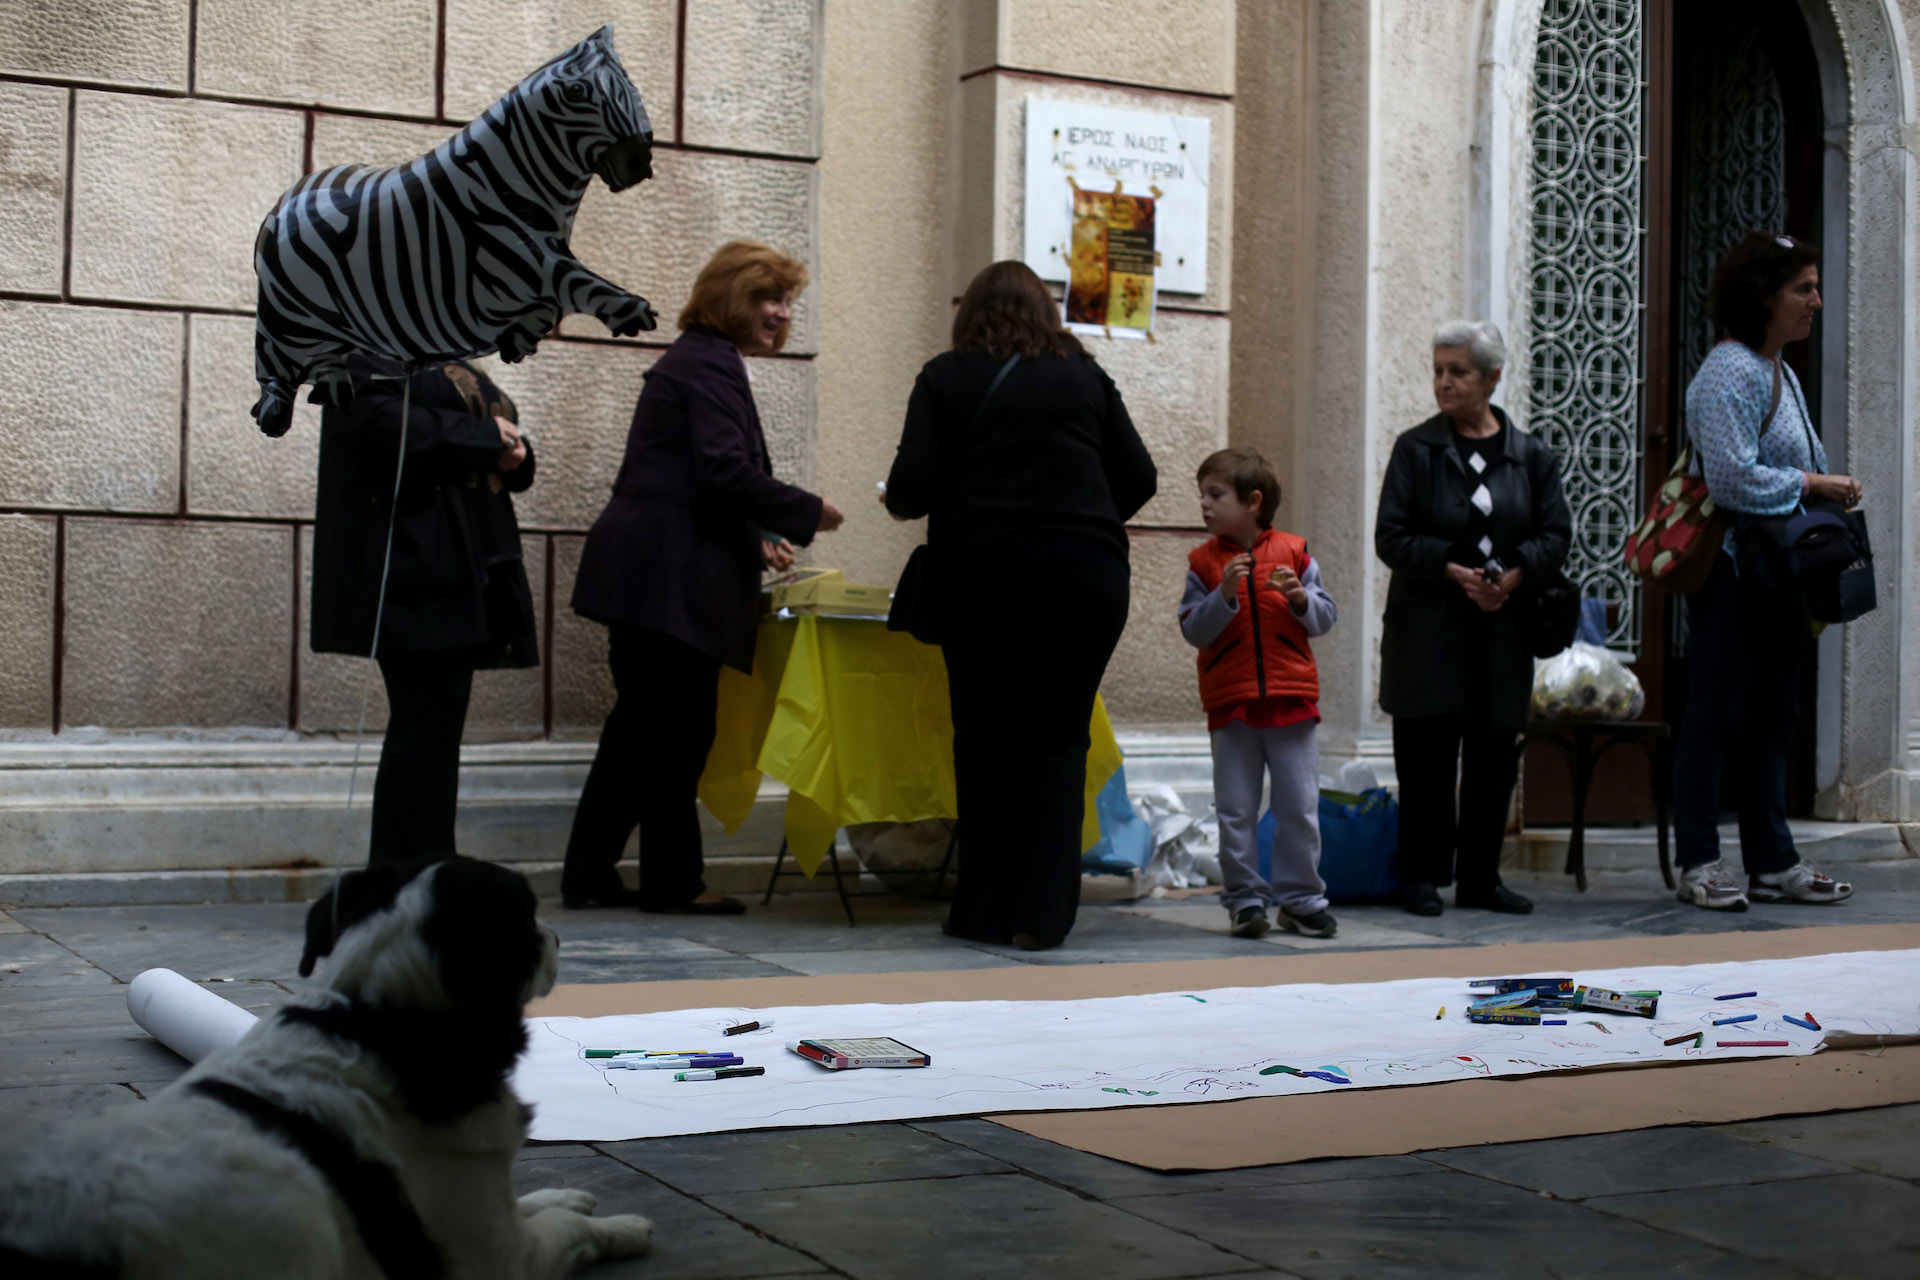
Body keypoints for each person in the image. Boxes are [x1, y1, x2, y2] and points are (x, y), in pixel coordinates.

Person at [562, 241, 844, 913]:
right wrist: (806, 511)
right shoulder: (711, 366)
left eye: (786, 302)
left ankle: (590, 873)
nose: (780, 314)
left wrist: (759, 536)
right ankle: (672, 882)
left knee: (638, 734)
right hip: (668, 586)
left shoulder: (698, 361)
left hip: (650, 578)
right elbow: (721, 472)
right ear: (729, 301)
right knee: (674, 737)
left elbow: (696, 482)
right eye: (766, 300)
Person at [884, 260, 1156, 950]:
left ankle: (983, 909)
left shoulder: (946, 376)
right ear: (1044, 312)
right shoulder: (1086, 375)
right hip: (1085, 579)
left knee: (986, 740)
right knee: (1059, 740)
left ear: (971, 313)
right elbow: (1140, 476)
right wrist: (1079, 517)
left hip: (985, 576)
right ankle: (1043, 916)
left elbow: (911, 486)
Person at [1671, 231, 1858, 910]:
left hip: (1775, 575)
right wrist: (1816, 483)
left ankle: (1771, 862)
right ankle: (1697, 862)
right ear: (1763, 298)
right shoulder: (1728, 373)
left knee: (1772, 714)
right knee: (1715, 714)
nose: (1814, 300)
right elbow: (1730, 479)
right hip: (1732, 575)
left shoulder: (1780, 371)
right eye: (1801, 289)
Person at [1374, 320, 1571, 917]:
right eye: (1438, 370)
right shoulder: (1416, 449)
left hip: (1502, 630)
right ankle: (1421, 877)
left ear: (1492, 378)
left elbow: (1555, 533)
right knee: (1425, 761)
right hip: (1429, 630)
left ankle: (1482, 879)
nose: (1443, 382)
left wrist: (1513, 574)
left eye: (1457, 371)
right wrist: (1453, 570)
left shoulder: (1530, 456)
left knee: (1490, 760)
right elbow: (1392, 536)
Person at [310, 355, 538, 865]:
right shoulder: (367, 343)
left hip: (464, 561)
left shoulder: (447, 354)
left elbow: (487, 434)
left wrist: (516, 452)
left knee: (437, 724)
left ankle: (423, 871)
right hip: (414, 565)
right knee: (424, 721)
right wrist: (485, 437)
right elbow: (378, 421)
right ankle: (407, 874)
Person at [1179, 448, 1339, 939]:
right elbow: (1194, 630)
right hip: (1233, 710)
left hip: (1291, 706)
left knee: (1298, 806)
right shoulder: (1204, 564)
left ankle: (1301, 899)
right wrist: (1223, 595)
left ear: (1252, 502)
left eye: (1215, 495)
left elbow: (1324, 617)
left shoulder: (1294, 552)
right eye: (1202, 494)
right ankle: (1246, 900)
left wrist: (1299, 599)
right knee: (1235, 810)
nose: (1204, 505)